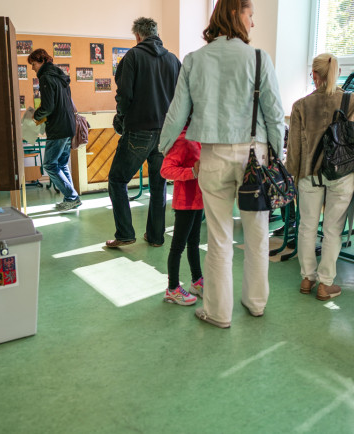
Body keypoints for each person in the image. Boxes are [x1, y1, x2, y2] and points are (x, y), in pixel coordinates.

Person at [159, 0, 285, 328]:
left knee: (218, 236)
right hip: (254, 158)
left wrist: (162, 147)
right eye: (250, 14)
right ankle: (256, 303)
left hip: (212, 155)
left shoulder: (194, 60)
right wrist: (278, 154)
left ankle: (218, 312)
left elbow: (177, 112)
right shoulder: (259, 59)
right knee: (257, 235)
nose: (253, 23)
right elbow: (273, 113)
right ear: (233, 13)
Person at [286, 53, 354, 301]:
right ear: (338, 72)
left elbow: (294, 150)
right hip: (342, 176)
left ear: (314, 75)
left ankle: (306, 278)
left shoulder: (301, 105)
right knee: (333, 230)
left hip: (309, 175)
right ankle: (325, 284)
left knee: (306, 227)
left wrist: (291, 178)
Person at [106, 17, 181, 248]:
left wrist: (120, 117)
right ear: (156, 33)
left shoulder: (132, 57)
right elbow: (181, 98)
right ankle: (156, 236)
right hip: (166, 133)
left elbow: (124, 95)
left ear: (138, 35)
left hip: (139, 130)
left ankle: (125, 233)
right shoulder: (173, 60)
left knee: (117, 180)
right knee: (159, 184)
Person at [28, 48, 80, 211]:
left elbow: (48, 106)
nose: (32, 68)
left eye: (33, 64)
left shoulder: (45, 77)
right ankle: (70, 199)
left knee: (50, 165)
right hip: (68, 125)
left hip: (57, 127)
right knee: (62, 164)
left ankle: (72, 197)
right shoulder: (61, 76)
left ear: (42, 61)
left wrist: (36, 115)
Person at [160, 124, 203, 306]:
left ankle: (197, 281)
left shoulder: (201, 136)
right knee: (178, 247)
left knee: (194, 243)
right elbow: (166, 170)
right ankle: (172, 289)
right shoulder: (182, 139)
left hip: (199, 200)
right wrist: (192, 172)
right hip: (185, 202)